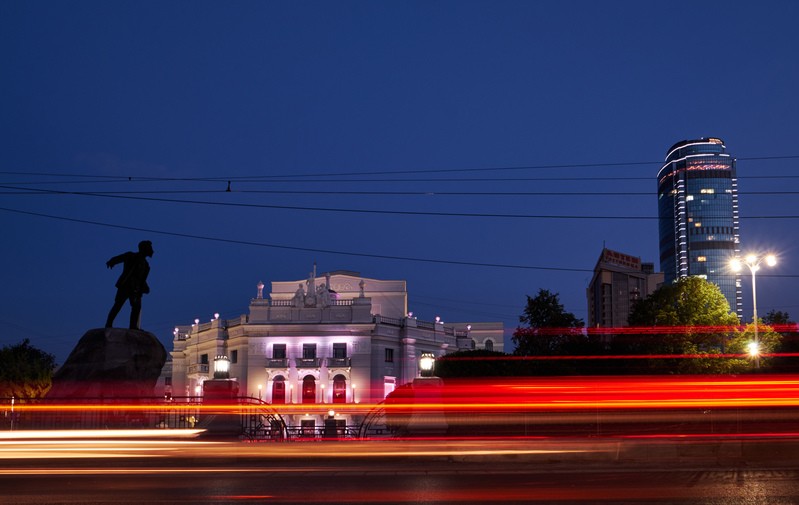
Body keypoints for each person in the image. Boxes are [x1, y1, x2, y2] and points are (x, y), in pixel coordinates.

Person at [105, 240, 154, 330]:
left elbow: (141, 279)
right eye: (150, 248)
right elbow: (120, 258)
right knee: (118, 305)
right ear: (144, 249)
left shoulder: (146, 265)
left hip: (136, 289)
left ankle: (133, 327)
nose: (152, 250)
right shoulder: (131, 255)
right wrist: (112, 261)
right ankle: (108, 324)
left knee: (137, 307)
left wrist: (144, 287)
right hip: (126, 285)